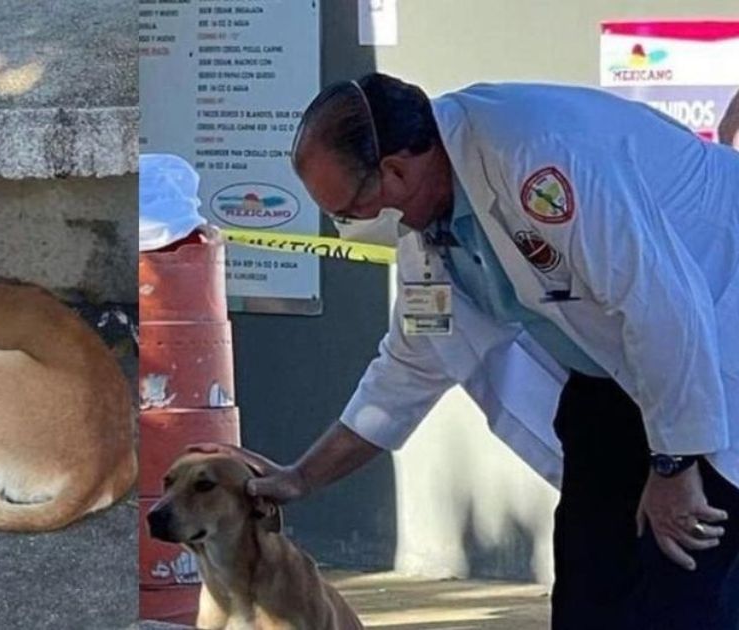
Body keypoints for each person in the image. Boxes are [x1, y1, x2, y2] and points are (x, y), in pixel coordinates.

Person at [202, 73, 739, 629]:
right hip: (614, 383)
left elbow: (661, 308)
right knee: (590, 587)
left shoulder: (535, 156)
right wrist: (302, 477)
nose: (349, 227)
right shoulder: (431, 228)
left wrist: (676, 464)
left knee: (684, 587)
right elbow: (408, 366)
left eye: (349, 209)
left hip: (713, 362)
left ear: (396, 171)